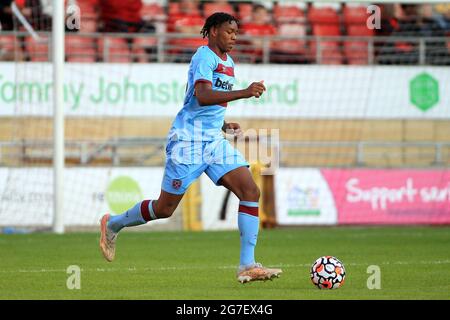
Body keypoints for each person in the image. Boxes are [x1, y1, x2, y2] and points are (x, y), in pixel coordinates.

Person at [99, 12, 282, 284]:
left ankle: (247, 265)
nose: (234, 36)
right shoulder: (203, 56)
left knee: (249, 190)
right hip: (188, 141)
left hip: (212, 141)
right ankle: (113, 223)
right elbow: (203, 95)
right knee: (164, 209)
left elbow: (208, 104)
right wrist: (244, 92)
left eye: (236, 32)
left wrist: (222, 124)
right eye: (229, 31)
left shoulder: (229, 62)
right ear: (213, 31)